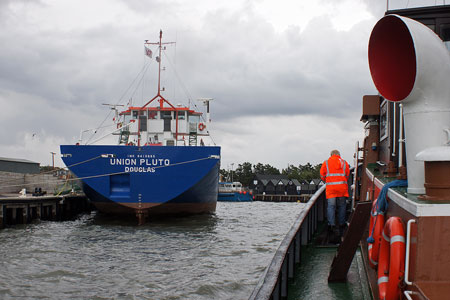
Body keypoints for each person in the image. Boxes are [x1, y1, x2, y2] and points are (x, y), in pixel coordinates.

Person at [320, 149, 350, 243]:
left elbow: (322, 175)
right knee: (342, 206)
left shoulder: (326, 162)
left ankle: (331, 225)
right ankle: (341, 224)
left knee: (331, 206)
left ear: (331, 155)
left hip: (331, 189)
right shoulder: (344, 163)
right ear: (339, 155)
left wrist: (328, 180)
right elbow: (347, 175)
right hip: (341, 188)